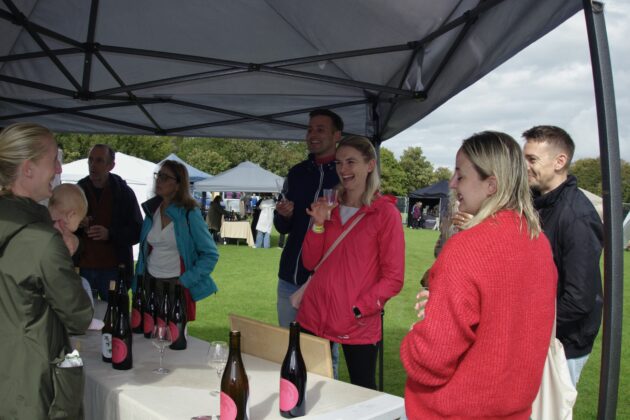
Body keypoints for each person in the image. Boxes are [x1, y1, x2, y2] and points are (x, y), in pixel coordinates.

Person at [401, 131, 557, 419]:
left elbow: (433, 358)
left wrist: (413, 342)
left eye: (460, 175)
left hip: (455, 410)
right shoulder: (537, 241)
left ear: (491, 185)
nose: (452, 183)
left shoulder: (467, 247)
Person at [0, 122, 93, 419]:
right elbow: (79, 315)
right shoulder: (43, 241)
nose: (59, 169)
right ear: (28, 169)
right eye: (54, 160)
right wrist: (65, 255)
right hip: (32, 388)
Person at [297, 135, 404, 389]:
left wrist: (359, 308)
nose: (343, 169)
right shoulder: (329, 205)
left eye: (351, 162)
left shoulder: (385, 213)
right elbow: (310, 263)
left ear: (370, 165)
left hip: (358, 322)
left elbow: (394, 278)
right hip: (314, 315)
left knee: (363, 393)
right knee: (307, 388)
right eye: (338, 162)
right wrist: (318, 224)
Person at [523, 125, 603, 385]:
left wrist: (527, 323)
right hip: (539, 334)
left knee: (549, 406)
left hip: (564, 344)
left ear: (560, 161)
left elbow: (579, 298)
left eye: (532, 159)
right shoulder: (535, 204)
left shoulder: (577, 216)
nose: (524, 166)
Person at [274, 108, 343, 327]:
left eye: (320, 130)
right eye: (310, 129)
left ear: (337, 135)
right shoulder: (296, 173)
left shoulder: (346, 175)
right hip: (290, 278)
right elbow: (282, 227)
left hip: (328, 282)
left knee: (322, 346)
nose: (312, 135)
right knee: (288, 341)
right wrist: (284, 215)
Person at [134, 160, 219, 322]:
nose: (159, 180)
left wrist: (186, 280)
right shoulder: (151, 210)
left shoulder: (189, 213)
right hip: (149, 282)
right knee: (147, 332)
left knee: (173, 335)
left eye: (165, 177)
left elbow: (210, 254)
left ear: (178, 185)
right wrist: (137, 281)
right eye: (158, 175)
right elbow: (143, 251)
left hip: (176, 285)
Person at [75, 144, 142, 300]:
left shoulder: (124, 193)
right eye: (90, 160)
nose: (93, 165)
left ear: (111, 165)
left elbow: (137, 231)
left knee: (114, 313)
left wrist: (110, 234)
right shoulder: (78, 191)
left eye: (99, 160)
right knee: (81, 313)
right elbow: (62, 227)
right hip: (82, 267)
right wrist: (77, 223)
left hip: (114, 269)